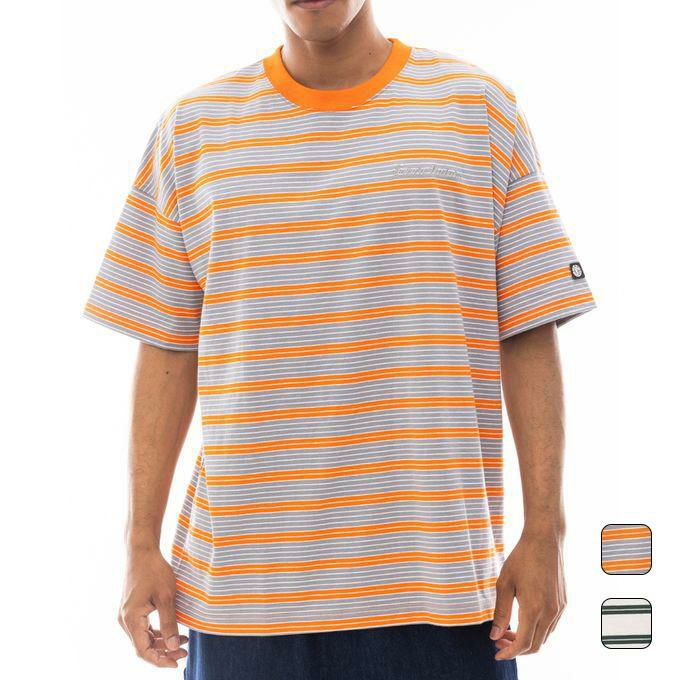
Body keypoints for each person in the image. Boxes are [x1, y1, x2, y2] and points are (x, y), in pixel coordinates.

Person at [83, 0, 595, 677]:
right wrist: (139, 542)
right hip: (243, 594)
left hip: (437, 587)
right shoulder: (193, 130)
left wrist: (547, 530)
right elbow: (168, 343)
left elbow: (527, 324)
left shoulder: (477, 111)